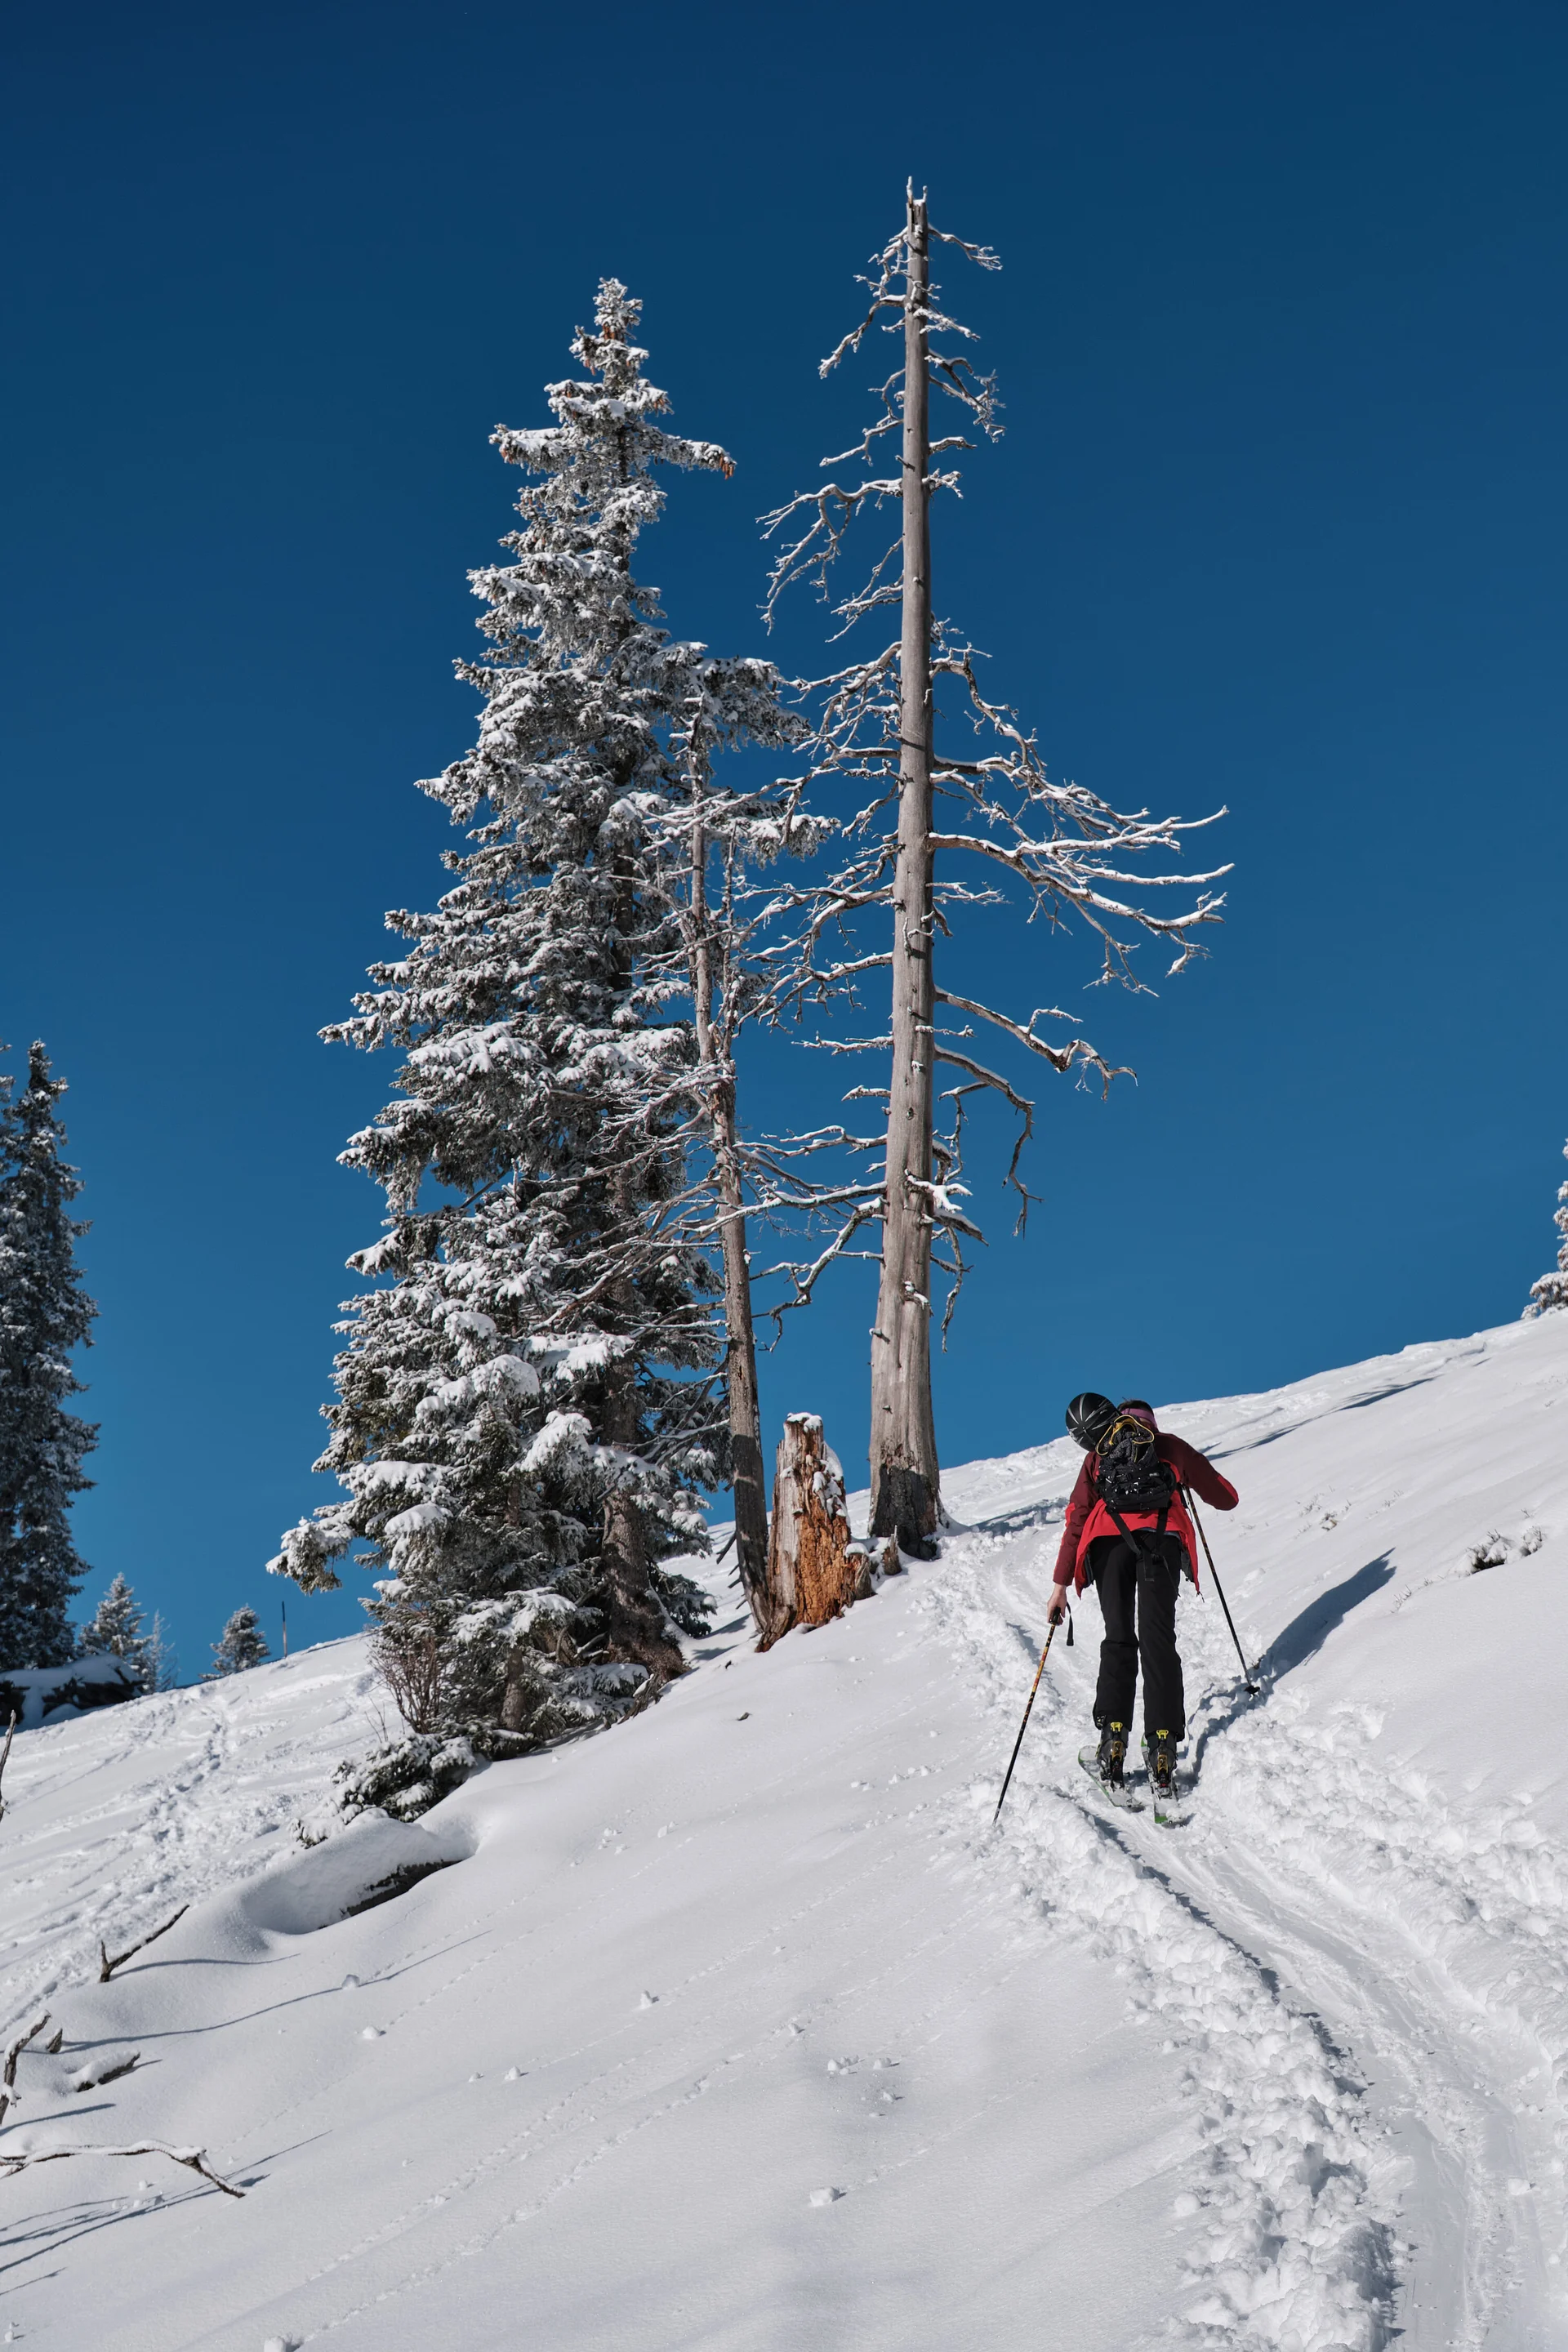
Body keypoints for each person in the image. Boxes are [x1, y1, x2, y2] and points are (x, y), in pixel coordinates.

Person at [1046, 1394, 1238, 1797]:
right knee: (1158, 1641)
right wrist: (1182, 1480)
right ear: (1149, 1419)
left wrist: (1060, 1585)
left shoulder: (1098, 1454)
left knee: (1119, 1638)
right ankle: (1162, 1747)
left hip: (1107, 1545)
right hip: (1161, 1543)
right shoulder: (1168, 1445)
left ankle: (1113, 1742)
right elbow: (1226, 1498)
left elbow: (1078, 1517)